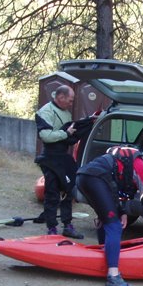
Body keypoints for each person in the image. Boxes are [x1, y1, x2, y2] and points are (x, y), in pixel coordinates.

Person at [76, 146, 143, 286]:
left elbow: (116, 189)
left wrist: (122, 212)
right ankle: (113, 277)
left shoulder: (133, 166)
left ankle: (104, 257)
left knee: (105, 219)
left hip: (83, 177)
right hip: (96, 178)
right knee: (114, 226)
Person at [35, 85, 94, 239]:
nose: (71, 103)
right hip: (50, 158)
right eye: (70, 100)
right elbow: (45, 135)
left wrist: (85, 125)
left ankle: (67, 226)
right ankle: (52, 229)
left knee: (69, 191)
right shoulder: (45, 112)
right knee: (52, 193)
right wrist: (65, 133)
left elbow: (68, 136)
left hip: (63, 157)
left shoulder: (66, 113)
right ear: (61, 97)